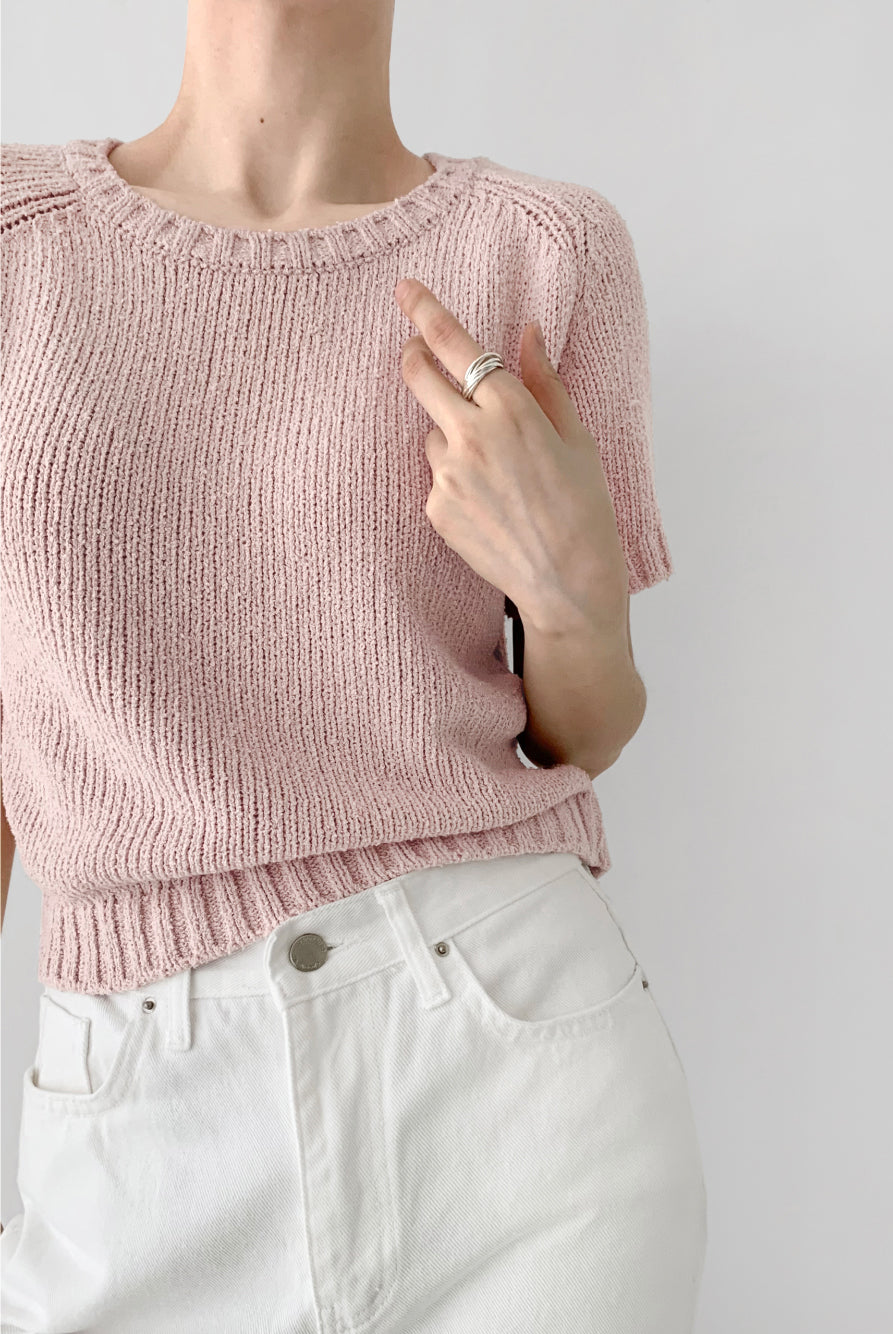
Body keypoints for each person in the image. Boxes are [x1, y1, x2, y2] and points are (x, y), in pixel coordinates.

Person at [0, 1, 707, 1329]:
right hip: (140, 1119)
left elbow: (587, 730)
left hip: (516, 1085)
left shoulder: (547, 249)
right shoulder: (14, 239)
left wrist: (570, 587)